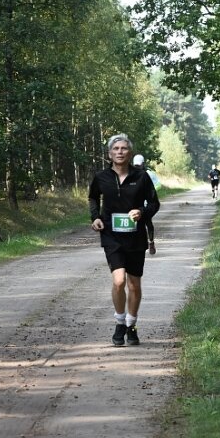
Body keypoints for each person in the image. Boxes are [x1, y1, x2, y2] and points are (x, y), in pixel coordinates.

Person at [89, 134, 160, 346]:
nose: (120, 152)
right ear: (110, 154)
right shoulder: (101, 177)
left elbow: (154, 204)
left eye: (124, 149)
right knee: (119, 281)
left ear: (130, 153)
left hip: (135, 236)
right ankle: (120, 323)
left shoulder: (142, 177)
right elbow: (93, 197)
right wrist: (95, 218)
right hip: (111, 235)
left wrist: (141, 212)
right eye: (116, 149)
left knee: (134, 284)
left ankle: (132, 325)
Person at [132, 154, 157, 255]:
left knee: (146, 222)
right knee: (143, 223)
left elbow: (156, 186)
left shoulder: (148, 174)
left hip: (143, 204)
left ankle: (150, 243)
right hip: (138, 204)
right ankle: (147, 243)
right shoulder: (148, 173)